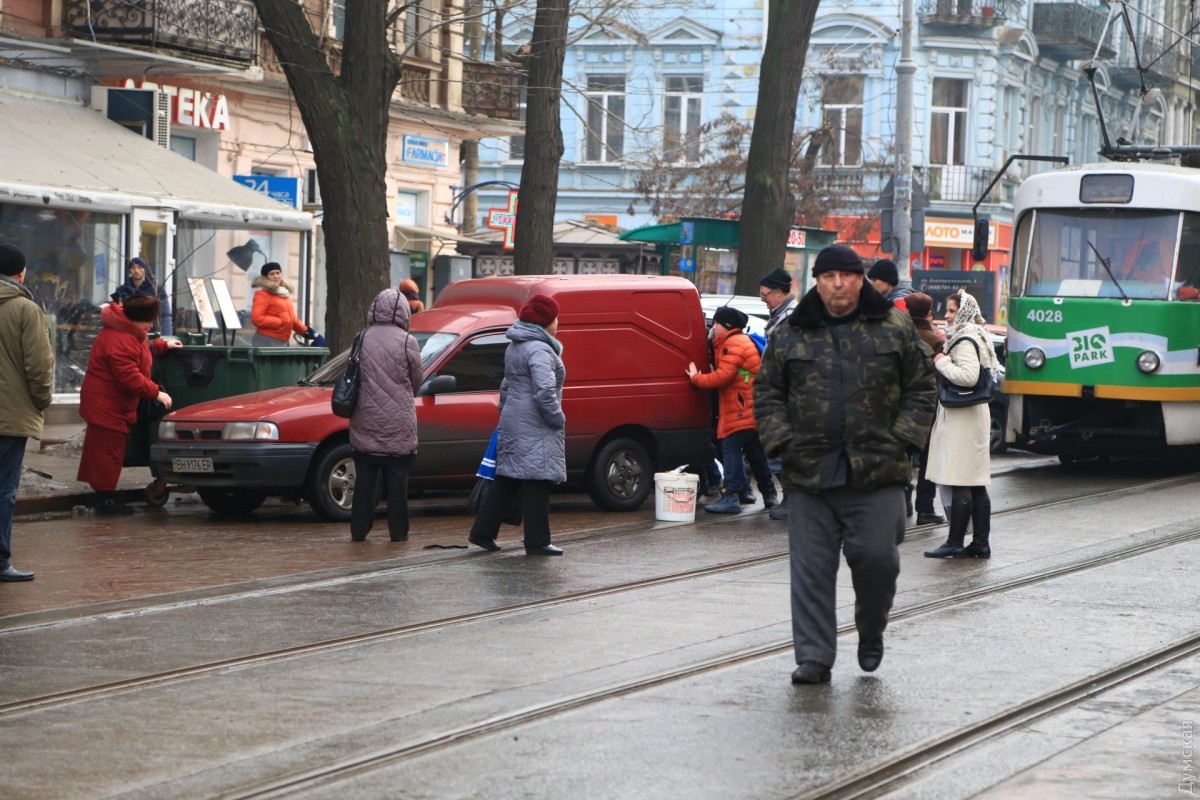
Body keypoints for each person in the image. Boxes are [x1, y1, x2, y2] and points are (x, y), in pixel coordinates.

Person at [754, 244, 935, 684]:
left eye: (847, 276)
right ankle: (814, 657)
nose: (838, 284)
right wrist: (782, 443)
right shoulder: (792, 331)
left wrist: (903, 441)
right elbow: (767, 391)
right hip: (809, 472)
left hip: (877, 470)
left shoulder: (893, 326)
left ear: (861, 281)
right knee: (811, 571)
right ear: (817, 282)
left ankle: (871, 628)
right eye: (828, 276)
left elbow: (921, 386)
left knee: (878, 562)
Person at [468, 294, 567, 556]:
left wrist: (506, 413)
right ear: (545, 322)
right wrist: (557, 418)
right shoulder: (540, 350)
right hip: (535, 423)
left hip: (514, 418)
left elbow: (506, 385)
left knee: (508, 477)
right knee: (538, 479)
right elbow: (544, 391)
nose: (558, 322)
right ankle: (537, 541)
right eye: (555, 318)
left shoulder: (516, 346)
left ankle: (482, 532)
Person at [78, 295, 182, 514]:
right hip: (106, 404)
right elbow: (129, 376)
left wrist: (160, 345)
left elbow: (140, 349)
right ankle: (105, 502)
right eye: (148, 321)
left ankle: (104, 496)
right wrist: (156, 393)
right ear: (135, 319)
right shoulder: (119, 339)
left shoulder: (127, 331)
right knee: (108, 453)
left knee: (107, 451)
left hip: (111, 402)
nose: (151, 325)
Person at [924, 290, 998, 559]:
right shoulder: (976, 334)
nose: (946, 315)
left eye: (952, 311)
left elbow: (968, 376)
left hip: (964, 418)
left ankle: (955, 541)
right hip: (971, 416)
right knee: (975, 481)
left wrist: (941, 362)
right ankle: (980, 542)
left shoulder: (965, 339)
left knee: (960, 479)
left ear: (964, 312)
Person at [349, 288, 424, 542]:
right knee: (397, 482)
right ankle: (398, 533)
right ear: (403, 312)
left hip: (365, 417)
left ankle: (359, 530)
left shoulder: (362, 337)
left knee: (365, 481)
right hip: (399, 421)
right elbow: (417, 380)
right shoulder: (408, 341)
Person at [687, 306, 777, 514]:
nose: (713, 327)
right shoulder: (739, 341)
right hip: (751, 406)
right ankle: (769, 493)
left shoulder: (733, 344)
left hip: (741, 408)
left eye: (717, 323)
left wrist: (696, 378)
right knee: (754, 452)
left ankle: (730, 497)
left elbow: (722, 377)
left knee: (730, 447)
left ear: (727, 325)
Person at [0, 244, 54, 582]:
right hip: (9, 416)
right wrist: (42, 401)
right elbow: (39, 366)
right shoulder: (25, 309)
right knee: (3, 489)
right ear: (21, 273)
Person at [758, 267, 795, 520]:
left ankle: (793, 499)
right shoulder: (780, 316)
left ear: (779, 292)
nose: (763, 299)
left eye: (765, 294)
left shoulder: (791, 318)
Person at [906, 292, 946, 525]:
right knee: (928, 461)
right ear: (929, 313)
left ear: (906, 311)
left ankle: (902, 503)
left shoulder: (898, 335)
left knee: (901, 457)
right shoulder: (935, 340)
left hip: (900, 407)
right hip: (927, 408)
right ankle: (925, 508)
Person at [251, 262, 320, 347]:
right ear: (265, 277)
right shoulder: (262, 294)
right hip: (266, 339)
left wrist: (306, 331)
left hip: (282, 340)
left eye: (278, 273)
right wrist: (280, 322)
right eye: (271, 274)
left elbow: (292, 319)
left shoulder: (283, 293)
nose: (276, 276)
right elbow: (257, 318)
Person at [114, 257, 173, 335]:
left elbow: (165, 315)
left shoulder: (156, 289)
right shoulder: (121, 290)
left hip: (151, 334)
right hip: (128, 334)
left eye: (140, 267)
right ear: (129, 271)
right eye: (133, 268)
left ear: (145, 269)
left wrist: (166, 336)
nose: (136, 270)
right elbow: (115, 314)